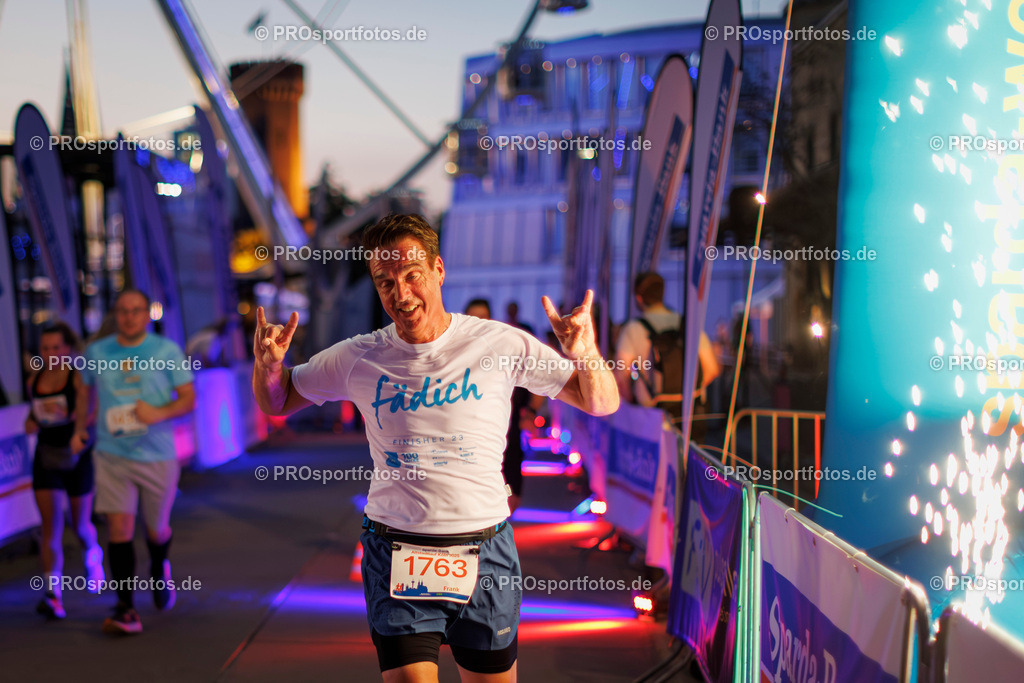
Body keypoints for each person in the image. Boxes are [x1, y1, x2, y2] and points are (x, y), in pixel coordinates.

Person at [253, 214, 618, 682]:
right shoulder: (357, 355)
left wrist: (586, 353)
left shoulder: (498, 343)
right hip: (395, 551)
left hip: (485, 551)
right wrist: (267, 366)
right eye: (385, 282)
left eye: (412, 276)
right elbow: (278, 400)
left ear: (439, 271)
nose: (400, 294)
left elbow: (601, 402)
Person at [79, 289, 196, 634]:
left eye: (136, 311)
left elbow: (189, 399)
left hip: (157, 455)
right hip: (112, 453)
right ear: (115, 315)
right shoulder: (97, 352)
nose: (129, 317)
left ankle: (160, 568)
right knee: (119, 529)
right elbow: (84, 388)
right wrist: (79, 427)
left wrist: (158, 412)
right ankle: (125, 608)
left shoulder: (166, 350)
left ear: (147, 315)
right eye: (122, 311)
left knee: (155, 529)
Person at [25, 322, 103, 620]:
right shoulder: (35, 381)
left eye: (57, 347)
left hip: (76, 456)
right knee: (51, 528)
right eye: (46, 348)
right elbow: (33, 417)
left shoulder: (79, 379)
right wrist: (32, 422)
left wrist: (78, 426)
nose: (51, 354)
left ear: (68, 349)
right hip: (46, 456)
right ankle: (53, 595)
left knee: (80, 526)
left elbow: (92, 414)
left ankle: (92, 554)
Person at [614, 272, 719, 439]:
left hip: (652, 418)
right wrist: (689, 389)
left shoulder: (633, 329)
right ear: (662, 293)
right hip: (692, 413)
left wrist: (633, 402)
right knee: (693, 463)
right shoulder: (688, 324)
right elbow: (712, 369)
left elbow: (621, 377)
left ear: (639, 298)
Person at [464, 299, 531, 515]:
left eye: (482, 318)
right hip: (468, 443)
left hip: (506, 437)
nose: (477, 323)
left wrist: (531, 412)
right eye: (472, 318)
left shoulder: (506, 348)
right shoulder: (453, 354)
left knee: (507, 502)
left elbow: (538, 381)